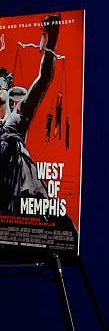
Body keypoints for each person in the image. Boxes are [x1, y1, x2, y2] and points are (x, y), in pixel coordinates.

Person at [0, 15, 60, 215]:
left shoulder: (16, 117)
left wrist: (51, 38)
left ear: (8, 91)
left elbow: (44, 79)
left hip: (21, 192)